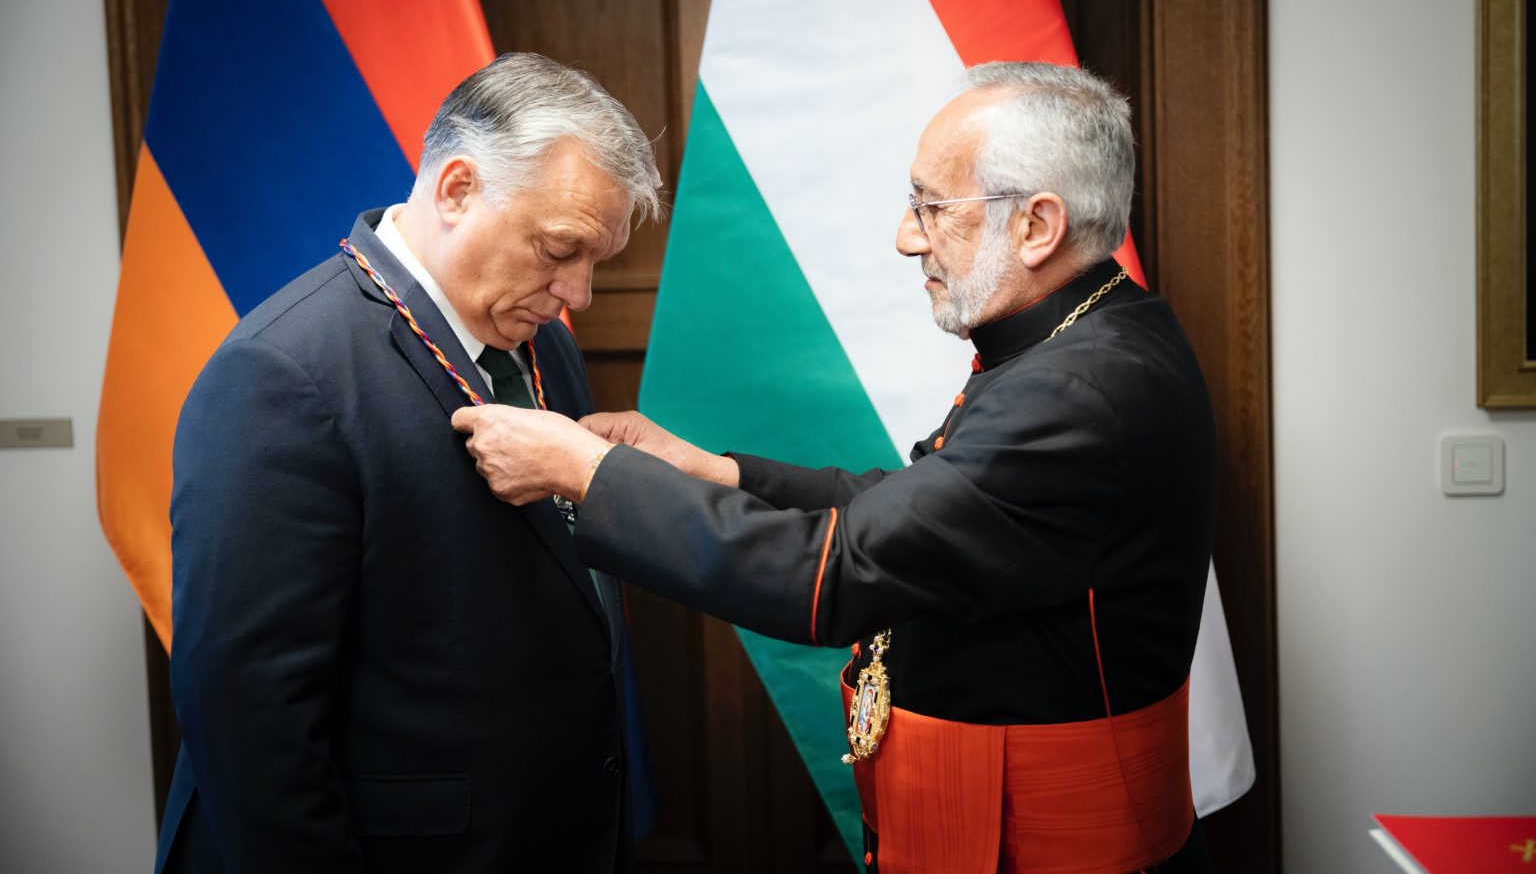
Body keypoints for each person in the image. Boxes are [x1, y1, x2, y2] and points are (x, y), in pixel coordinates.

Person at [452, 62, 1219, 874]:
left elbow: (839, 573)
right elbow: (918, 507)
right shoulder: (1095, 338)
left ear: (1037, 225)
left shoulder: (1077, 391)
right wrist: (713, 472)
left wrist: (590, 474)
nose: (907, 237)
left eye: (931, 206)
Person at [156, 53, 661, 874]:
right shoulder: (280, 375)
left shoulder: (543, 347)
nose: (580, 293)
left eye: (593, 260)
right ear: (457, 189)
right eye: (559, 248)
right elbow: (251, 727)